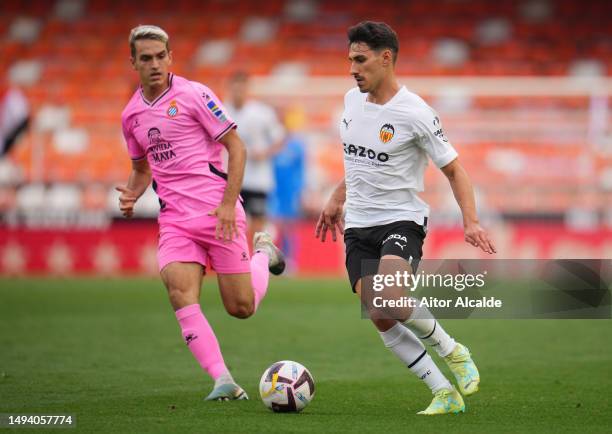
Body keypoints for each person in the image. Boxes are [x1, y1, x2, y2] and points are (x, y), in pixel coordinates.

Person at [315, 21, 496, 415]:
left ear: (386, 58)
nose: (352, 69)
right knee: (379, 313)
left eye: (360, 60)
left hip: (401, 220)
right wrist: (335, 197)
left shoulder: (415, 113)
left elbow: (455, 170)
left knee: (390, 297)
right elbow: (358, 163)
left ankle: (453, 350)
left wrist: (472, 221)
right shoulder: (350, 102)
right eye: (349, 60)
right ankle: (443, 392)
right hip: (358, 225)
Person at [117, 25, 285, 401]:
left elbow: (236, 147)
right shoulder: (131, 116)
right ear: (134, 63)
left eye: (161, 56)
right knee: (180, 292)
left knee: (240, 307)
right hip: (174, 220)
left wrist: (228, 204)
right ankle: (222, 379)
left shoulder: (195, 95)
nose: (155, 64)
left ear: (171, 57)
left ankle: (263, 253)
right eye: (146, 58)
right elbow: (142, 169)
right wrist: (131, 193)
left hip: (217, 212)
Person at [225, 71, 285, 237]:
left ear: (247, 88)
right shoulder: (222, 111)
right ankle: (239, 260)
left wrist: (265, 153)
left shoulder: (262, 113)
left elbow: (280, 139)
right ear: (230, 88)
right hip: (231, 178)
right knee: (233, 221)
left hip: (258, 179)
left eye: (242, 87)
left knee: (258, 222)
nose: (238, 91)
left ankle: (259, 259)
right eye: (235, 88)